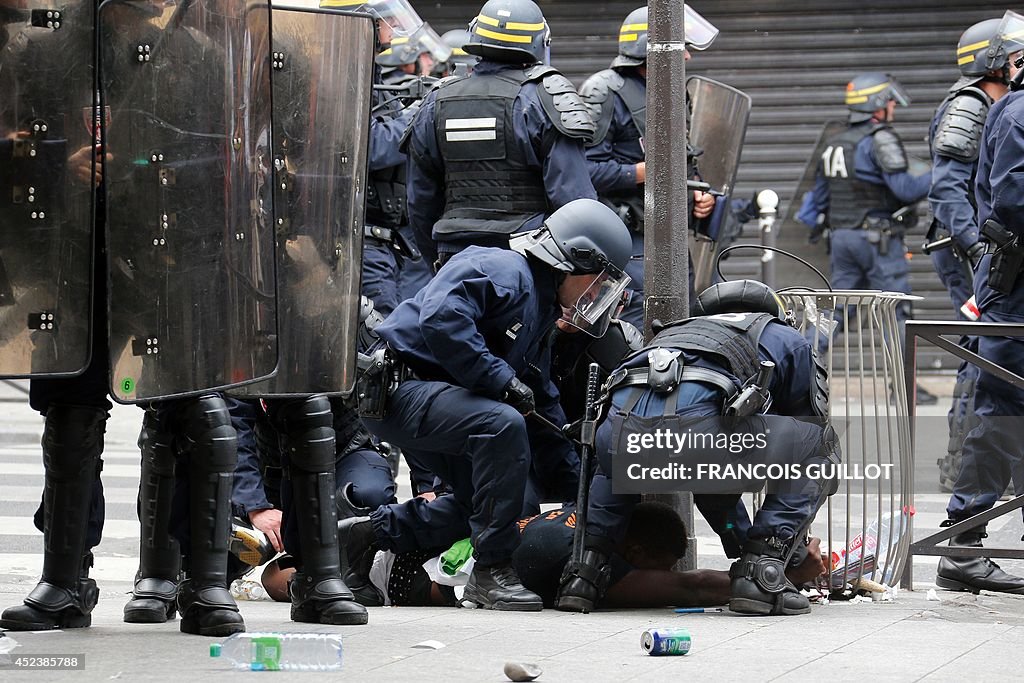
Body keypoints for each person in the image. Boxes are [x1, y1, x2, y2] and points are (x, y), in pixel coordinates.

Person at [338, 198, 632, 611]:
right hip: (400, 390)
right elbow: (441, 318)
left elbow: (540, 398)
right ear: (575, 259)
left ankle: (365, 535)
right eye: (599, 281)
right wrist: (501, 380)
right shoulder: (503, 268)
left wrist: (579, 490)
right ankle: (491, 571)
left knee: (495, 503)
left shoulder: (540, 310)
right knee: (501, 424)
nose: (598, 293)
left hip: (432, 398)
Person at [556, 279, 839, 616]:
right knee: (820, 446)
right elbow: (805, 424)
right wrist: (784, 549)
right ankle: (762, 576)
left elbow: (711, 483)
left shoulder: (671, 334)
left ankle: (584, 574)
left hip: (619, 437)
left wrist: (738, 539)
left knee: (616, 456)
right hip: (704, 440)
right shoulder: (783, 336)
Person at [935, 10, 1024, 596]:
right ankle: (965, 539)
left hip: (1001, 268)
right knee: (993, 389)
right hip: (1002, 271)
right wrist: (978, 254)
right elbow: (950, 187)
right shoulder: (978, 106)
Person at [403, 0, 597, 269]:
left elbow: (420, 200)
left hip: (455, 260)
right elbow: (574, 202)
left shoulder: (436, 100)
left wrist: (438, 265)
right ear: (541, 40)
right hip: (529, 261)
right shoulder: (546, 98)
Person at [797, 72, 936, 405]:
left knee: (835, 310)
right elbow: (905, 188)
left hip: (843, 239)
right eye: (889, 101)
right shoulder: (881, 139)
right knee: (895, 311)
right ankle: (904, 388)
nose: (892, 107)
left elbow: (812, 206)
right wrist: (940, 170)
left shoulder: (834, 143)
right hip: (878, 242)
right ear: (877, 105)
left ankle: (802, 374)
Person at [579, 4, 719, 326]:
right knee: (637, 329)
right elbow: (584, 170)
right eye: (681, 48)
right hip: (629, 240)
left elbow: (681, 157)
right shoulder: (605, 91)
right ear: (648, 49)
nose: (687, 57)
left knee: (687, 325)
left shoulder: (671, 90)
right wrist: (643, 173)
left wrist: (698, 192)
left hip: (671, 237)